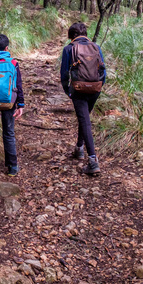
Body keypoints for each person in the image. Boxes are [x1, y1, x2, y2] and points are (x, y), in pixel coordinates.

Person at [59, 22, 106, 175]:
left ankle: (92, 160)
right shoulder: (96, 47)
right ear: (85, 34)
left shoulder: (68, 49)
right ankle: (79, 148)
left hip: (78, 89)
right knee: (84, 118)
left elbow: (64, 74)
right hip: (95, 88)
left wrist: (69, 92)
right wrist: (99, 86)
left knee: (84, 120)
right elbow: (103, 70)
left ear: (71, 36)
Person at [0, 33, 25, 177]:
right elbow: (18, 84)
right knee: (9, 132)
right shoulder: (13, 63)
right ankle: (12, 166)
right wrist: (20, 104)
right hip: (10, 102)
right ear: (7, 48)